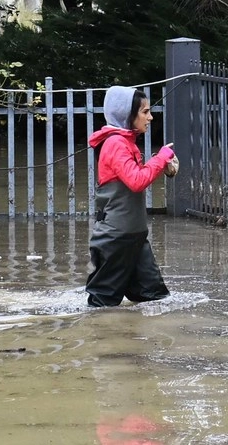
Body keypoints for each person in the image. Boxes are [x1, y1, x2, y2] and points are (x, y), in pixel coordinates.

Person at [85, 86, 176, 307]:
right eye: (145, 112)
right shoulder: (116, 143)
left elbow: (135, 177)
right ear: (128, 114)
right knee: (101, 305)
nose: (151, 117)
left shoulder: (124, 142)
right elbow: (137, 181)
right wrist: (161, 158)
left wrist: (160, 162)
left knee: (155, 300)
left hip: (134, 237)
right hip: (116, 239)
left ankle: (138, 340)